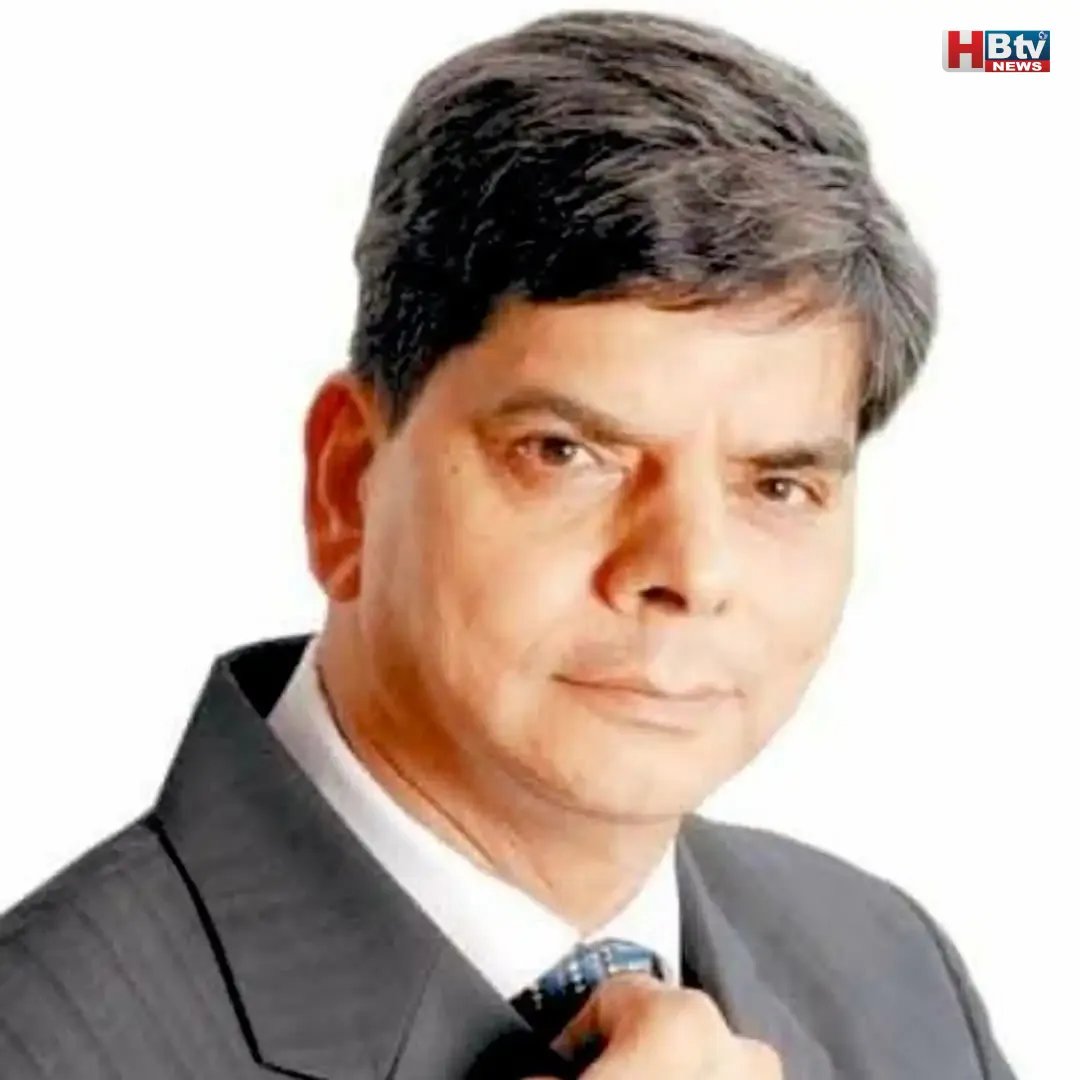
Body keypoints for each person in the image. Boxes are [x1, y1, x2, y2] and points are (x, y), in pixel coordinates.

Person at [0, 9, 1018, 1079]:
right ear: (348, 485)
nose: (690, 570)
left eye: (777, 483)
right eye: (567, 453)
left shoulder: (898, 976)